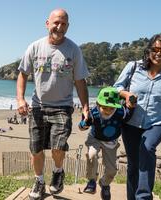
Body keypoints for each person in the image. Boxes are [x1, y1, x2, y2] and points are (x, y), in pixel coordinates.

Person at [16, 8, 89, 199]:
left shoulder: (73, 50)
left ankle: (58, 172)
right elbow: (23, 74)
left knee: (58, 146)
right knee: (36, 148)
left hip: (63, 107)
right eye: (56, 22)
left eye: (63, 23)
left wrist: (86, 108)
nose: (59, 26)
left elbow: (80, 81)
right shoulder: (34, 47)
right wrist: (20, 99)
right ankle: (39, 181)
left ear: (68, 26)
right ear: (47, 23)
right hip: (38, 106)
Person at [114, 33, 161, 200]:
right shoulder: (134, 67)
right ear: (149, 50)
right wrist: (127, 95)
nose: (159, 53)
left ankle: (143, 197)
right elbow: (116, 88)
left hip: (158, 122)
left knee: (147, 148)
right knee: (133, 165)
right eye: (155, 49)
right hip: (131, 122)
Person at [78, 87, 133, 200]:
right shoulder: (93, 114)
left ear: (116, 106)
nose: (108, 111)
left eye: (111, 108)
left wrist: (131, 106)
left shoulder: (119, 112)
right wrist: (85, 122)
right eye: (105, 108)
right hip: (95, 139)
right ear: (98, 104)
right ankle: (91, 181)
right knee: (91, 155)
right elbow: (81, 127)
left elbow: (128, 116)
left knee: (112, 170)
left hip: (111, 142)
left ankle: (105, 184)